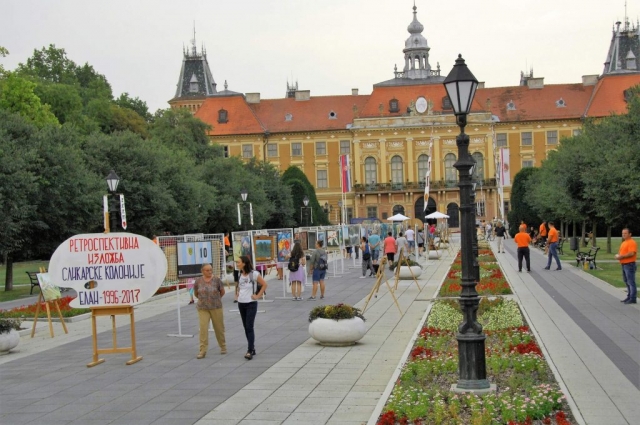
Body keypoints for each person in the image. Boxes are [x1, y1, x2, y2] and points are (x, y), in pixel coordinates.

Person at [236, 255, 267, 360]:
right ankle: (252, 347)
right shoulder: (239, 273)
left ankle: (249, 350)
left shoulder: (253, 274)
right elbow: (239, 286)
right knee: (245, 326)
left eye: (238, 262)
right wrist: (237, 294)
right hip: (241, 303)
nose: (237, 264)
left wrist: (258, 296)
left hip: (251, 303)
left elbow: (264, 284)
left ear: (244, 263)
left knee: (249, 326)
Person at [193, 263, 226, 359]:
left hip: (216, 307)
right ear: (202, 271)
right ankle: (202, 350)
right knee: (203, 328)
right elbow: (196, 293)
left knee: (219, 327)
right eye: (207, 270)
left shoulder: (217, 280)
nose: (209, 272)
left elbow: (222, 292)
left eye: (211, 270)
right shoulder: (198, 281)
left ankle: (223, 345)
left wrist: (216, 299)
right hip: (203, 308)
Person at [616, 228, 637, 304]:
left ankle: (633, 298)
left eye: (625, 233)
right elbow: (622, 252)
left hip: (629, 264)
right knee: (626, 281)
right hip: (624, 264)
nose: (623, 235)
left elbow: (632, 253)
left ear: (630, 234)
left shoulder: (631, 242)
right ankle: (629, 296)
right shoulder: (624, 242)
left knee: (631, 281)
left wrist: (622, 256)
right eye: (622, 233)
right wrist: (618, 256)